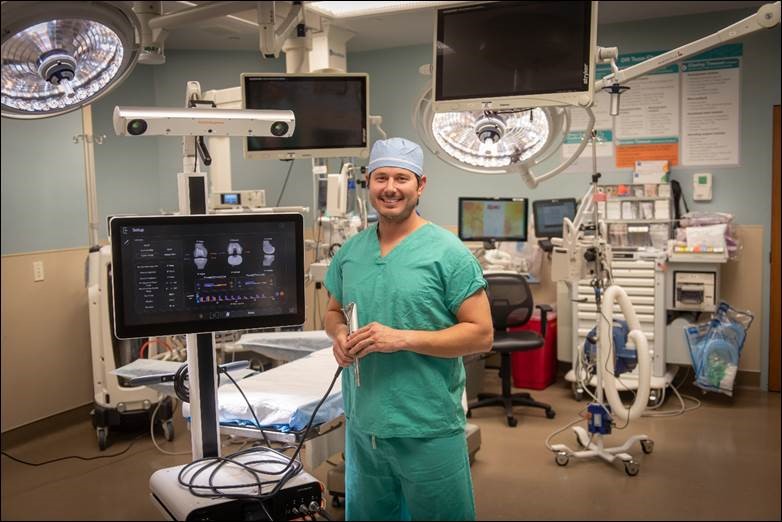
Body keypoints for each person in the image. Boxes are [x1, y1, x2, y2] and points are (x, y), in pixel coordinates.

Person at [323, 137, 494, 521]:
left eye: (402, 178)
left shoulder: (448, 254)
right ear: (368, 183)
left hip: (427, 424)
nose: (390, 187)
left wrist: (401, 338)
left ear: (421, 185)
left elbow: (481, 334)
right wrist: (337, 335)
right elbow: (332, 311)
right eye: (381, 177)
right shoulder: (351, 253)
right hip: (365, 425)